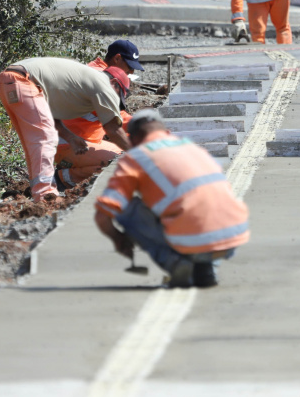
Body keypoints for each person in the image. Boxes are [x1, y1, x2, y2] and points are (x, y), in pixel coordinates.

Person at [94, 109, 250, 288]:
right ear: (166, 133)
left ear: (134, 139)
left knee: (127, 208)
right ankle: (205, 267)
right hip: (233, 235)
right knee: (198, 204)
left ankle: (176, 264)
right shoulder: (193, 148)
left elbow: (103, 215)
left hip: (192, 238)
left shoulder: (136, 157)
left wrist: (118, 239)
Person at [0, 57, 131, 202]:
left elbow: (52, 116)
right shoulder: (103, 85)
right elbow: (113, 130)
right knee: (43, 138)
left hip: (8, 80)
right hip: (22, 80)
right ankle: (45, 195)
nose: (114, 101)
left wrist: (71, 137)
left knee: (34, 140)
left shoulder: (82, 82)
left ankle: (40, 191)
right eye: (117, 96)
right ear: (114, 83)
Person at [53, 40, 143, 188]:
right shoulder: (101, 80)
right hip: (68, 143)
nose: (131, 72)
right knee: (118, 164)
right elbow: (117, 121)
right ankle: (61, 179)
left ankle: (72, 167)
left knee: (127, 154)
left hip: (83, 141)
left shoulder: (98, 71)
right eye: (129, 66)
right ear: (117, 58)